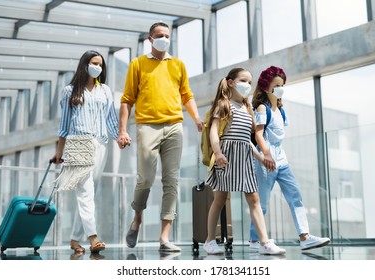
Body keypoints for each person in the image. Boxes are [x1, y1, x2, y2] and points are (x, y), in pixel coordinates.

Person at [117, 22, 202, 252]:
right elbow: (126, 100)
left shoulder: (178, 65)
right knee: (145, 178)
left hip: (175, 126)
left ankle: (164, 237)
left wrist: (196, 118)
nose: (164, 38)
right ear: (150, 39)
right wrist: (122, 130)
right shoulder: (138, 64)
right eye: (159, 35)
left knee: (171, 180)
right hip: (147, 127)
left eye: (167, 35)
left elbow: (187, 95)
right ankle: (137, 218)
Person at [203, 67, 286, 255]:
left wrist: (262, 158)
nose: (247, 85)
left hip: (245, 158)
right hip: (226, 156)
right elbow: (214, 132)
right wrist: (218, 153)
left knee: (254, 198)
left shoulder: (248, 108)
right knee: (220, 199)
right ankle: (209, 240)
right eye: (243, 81)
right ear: (231, 83)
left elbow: (247, 141)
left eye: (250, 82)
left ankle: (264, 242)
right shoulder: (223, 105)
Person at [249, 65, 330, 250]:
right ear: (265, 86)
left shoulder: (280, 109)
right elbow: (258, 134)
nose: (280, 88)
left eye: (282, 84)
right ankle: (255, 240)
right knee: (261, 202)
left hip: (282, 161)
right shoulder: (262, 108)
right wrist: (266, 155)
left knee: (295, 195)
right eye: (276, 84)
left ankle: (305, 237)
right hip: (265, 161)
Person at [52, 50, 119, 255]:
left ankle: (74, 239)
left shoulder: (105, 90)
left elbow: (111, 119)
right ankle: (93, 237)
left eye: (100, 64)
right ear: (85, 65)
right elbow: (63, 126)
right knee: (85, 192)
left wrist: (120, 136)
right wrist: (59, 152)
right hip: (77, 144)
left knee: (89, 194)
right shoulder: (69, 91)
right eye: (94, 63)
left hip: (100, 145)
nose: (97, 67)